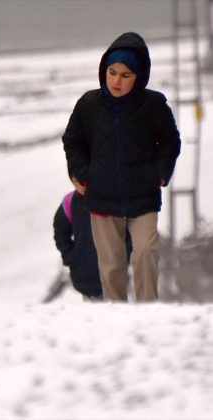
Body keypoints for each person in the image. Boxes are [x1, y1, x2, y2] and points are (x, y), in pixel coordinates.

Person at [61, 32, 181, 301]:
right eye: (112, 72)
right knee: (111, 265)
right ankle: (117, 319)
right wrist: (80, 172)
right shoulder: (88, 105)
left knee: (146, 251)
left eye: (126, 75)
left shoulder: (154, 105)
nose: (117, 81)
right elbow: (73, 141)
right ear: (104, 70)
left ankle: (148, 311)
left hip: (143, 195)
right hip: (101, 196)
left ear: (139, 77)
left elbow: (170, 142)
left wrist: (161, 172)